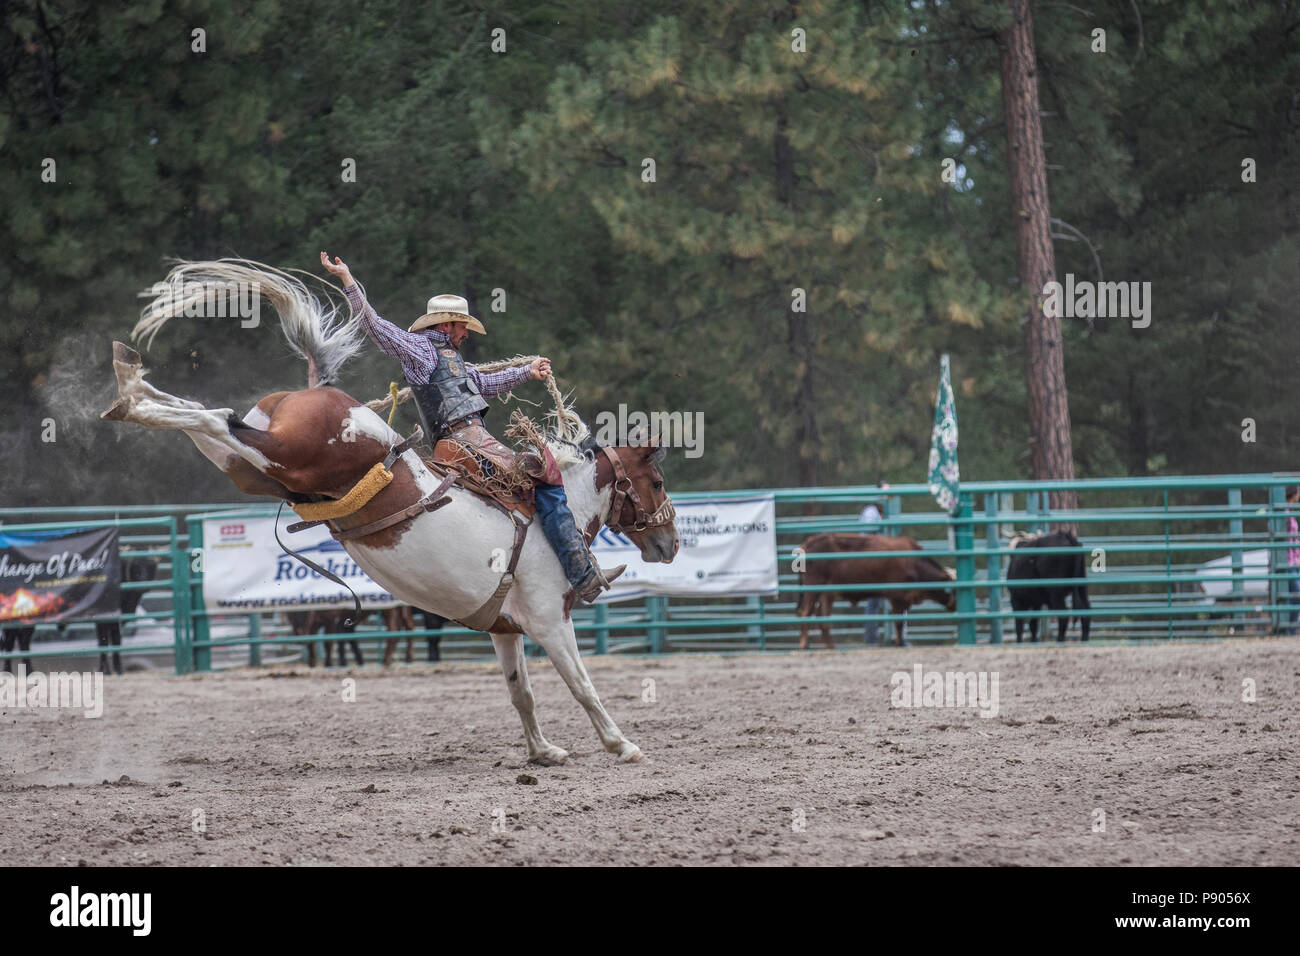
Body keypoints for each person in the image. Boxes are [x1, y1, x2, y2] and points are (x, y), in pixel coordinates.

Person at [319, 252, 623, 605]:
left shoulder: (451, 359)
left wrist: (528, 372)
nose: (466, 332)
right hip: (462, 441)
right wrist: (348, 281)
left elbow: (485, 382)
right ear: (446, 325)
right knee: (546, 478)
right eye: (462, 326)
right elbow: (376, 326)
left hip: (472, 440)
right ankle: (578, 570)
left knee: (542, 480)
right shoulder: (422, 350)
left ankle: (556, 567)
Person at [859, 498, 884, 644]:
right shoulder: (871, 512)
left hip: (879, 559)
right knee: (873, 600)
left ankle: (876, 637)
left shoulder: (877, 512)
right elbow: (868, 534)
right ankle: (871, 638)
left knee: (876, 601)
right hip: (873, 560)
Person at [1284, 486, 1299, 635]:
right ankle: (1290, 630)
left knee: (1293, 597)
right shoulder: (1284, 512)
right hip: (1289, 562)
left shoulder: (1289, 513)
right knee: (1296, 595)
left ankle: (1290, 629)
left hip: (1294, 562)